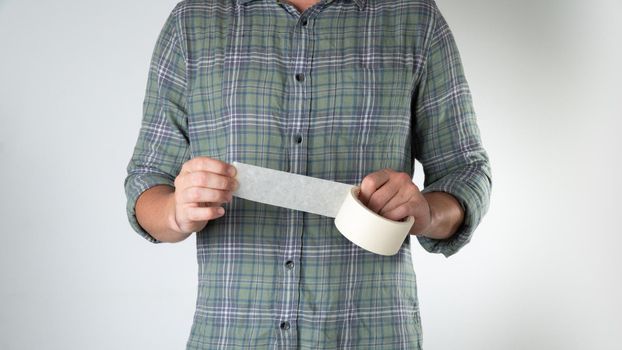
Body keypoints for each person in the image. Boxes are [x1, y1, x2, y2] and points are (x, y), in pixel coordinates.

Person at [124, 0, 492, 348]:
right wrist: (174, 211)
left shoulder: (414, 18)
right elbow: (147, 179)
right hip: (231, 335)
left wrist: (427, 213)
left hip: (371, 334)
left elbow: (466, 171)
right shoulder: (194, 22)